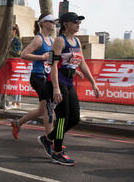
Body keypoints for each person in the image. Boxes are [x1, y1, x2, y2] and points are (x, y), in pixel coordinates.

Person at [38, 12, 100, 166]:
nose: (78, 24)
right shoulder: (60, 40)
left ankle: (48, 139)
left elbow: (82, 63)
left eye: (79, 22)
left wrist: (93, 83)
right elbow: (52, 64)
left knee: (74, 118)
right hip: (57, 83)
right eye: (75, 22)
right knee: (63, 118)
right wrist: (56, 88)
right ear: (66, 24)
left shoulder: (77, 41)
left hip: (69, 83)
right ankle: (57, 152)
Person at [11, 14, 55, 140]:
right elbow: (24, 55)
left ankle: (17, 123)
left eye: (53, 22)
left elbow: (51, 60)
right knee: (49, 108)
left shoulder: (52, 40)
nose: (53, 24)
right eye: (50, 22)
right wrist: (41, 57)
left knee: (42, 110)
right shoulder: (38, 39)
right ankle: (49, 140)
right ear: (43, 23)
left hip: (46, 77)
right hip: (38, 76)